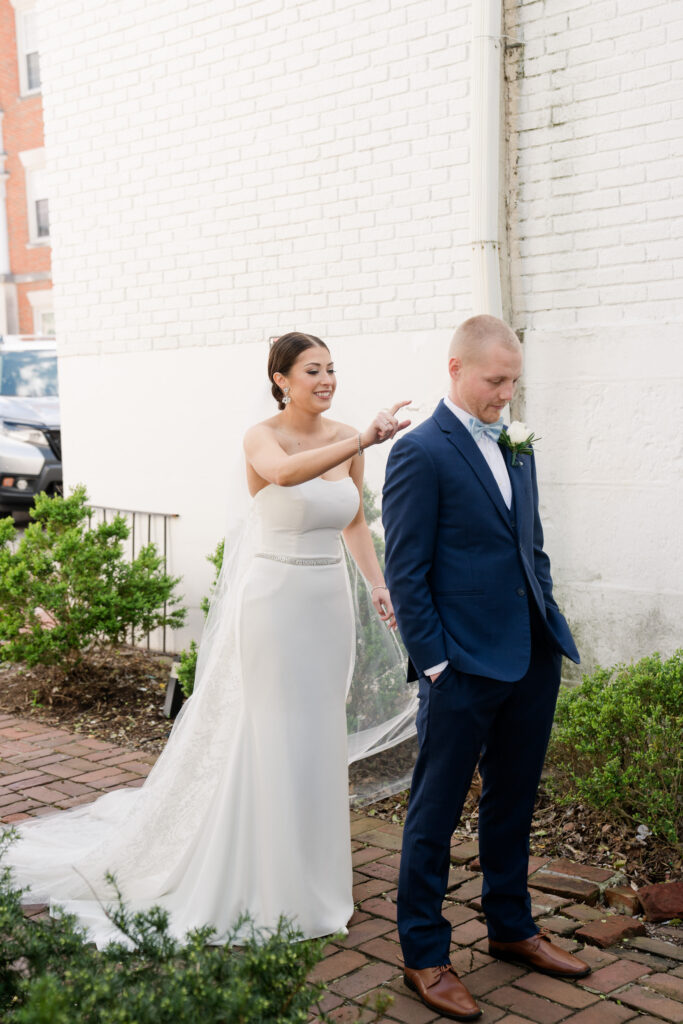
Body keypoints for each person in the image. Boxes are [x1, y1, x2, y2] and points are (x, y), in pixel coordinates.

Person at [4, 331, 411, 949]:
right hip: (274, 602)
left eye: (332, 369)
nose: (326, 380)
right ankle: (267, 879)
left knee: (317, 730)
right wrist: (363, 440)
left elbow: (352, 517)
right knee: (272, 730)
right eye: (312, 370)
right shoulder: (263, 437)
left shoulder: (347, 435)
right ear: (281, 379)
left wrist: (376, 584)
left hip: (328, 603)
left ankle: (313, 873)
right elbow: (282, 475)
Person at [382, 315, 589, 1022]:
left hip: (530, 655)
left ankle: (510, 927)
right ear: (454, 369)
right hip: (461, 664)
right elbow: (405, 571)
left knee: (513, 801)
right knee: (434, 812)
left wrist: (546, 613)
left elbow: (529, 543)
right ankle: (424, 954)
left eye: (512, 381)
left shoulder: (515, 444)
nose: (505, 394)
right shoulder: (419, 452)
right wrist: (435, 662)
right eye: (494, 380)